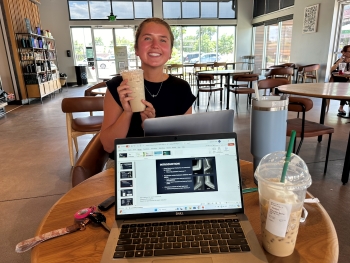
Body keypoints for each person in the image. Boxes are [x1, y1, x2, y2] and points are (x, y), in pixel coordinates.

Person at [100, 18, 196, 169]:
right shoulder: (119, 86)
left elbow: (185, 144)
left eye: (163, 40)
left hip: (167, 163)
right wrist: (127, 112)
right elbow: (108, 146)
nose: (155, 45)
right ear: (136, 49)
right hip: (125, 164)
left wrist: (152, 129)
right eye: (147, 38)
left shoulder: (181, 88)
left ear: (170, 51)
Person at [330, 45, 350, 115]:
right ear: (344, 52)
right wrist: (340, 60)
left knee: (347, 85)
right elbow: (331, 69)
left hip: (347, 80)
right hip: (340, 80)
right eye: (349, 51)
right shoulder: (340, 61)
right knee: (346, 86)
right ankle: (341, 107)